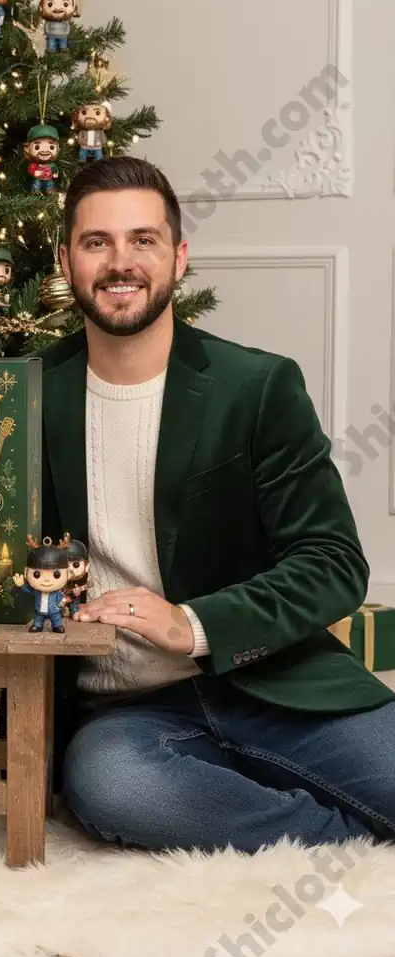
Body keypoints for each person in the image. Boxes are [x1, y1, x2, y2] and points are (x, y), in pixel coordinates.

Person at [35, 155, 395, 853]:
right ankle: (341, 841)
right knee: (115, 789)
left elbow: (332, 563)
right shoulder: (29, 396)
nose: (121, 263)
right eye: (97, 242)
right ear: (66, 260)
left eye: (143, 240)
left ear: (179, 257)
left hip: (273, 682)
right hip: (127, 714)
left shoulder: (256, 387)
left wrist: (191, 624)